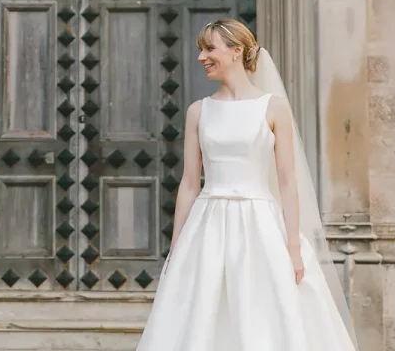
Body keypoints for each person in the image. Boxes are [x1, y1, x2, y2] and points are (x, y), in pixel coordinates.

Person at [136, 19, 358, 350]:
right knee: (202, 312)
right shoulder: (199, 111)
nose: (201, 57)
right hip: (208, 224)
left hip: (260, 225)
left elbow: (287, 181)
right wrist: (176, 245)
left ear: (237, 51)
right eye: (201, 49)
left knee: (262, 313)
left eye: (209, 49)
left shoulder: (273, 108)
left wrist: (294, 248)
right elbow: (189, 184)